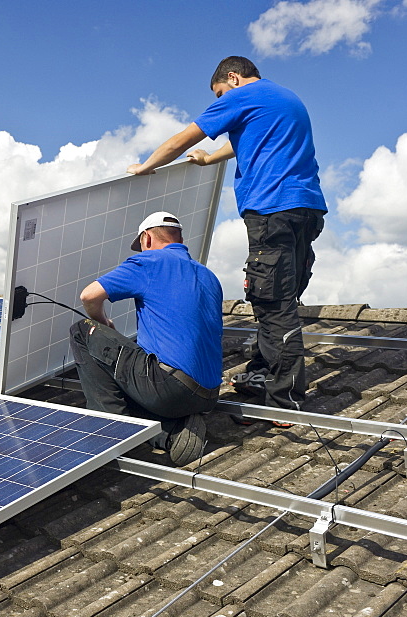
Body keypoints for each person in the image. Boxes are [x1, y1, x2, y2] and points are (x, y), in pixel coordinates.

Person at [127, 55, 326, 419]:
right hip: (307, 209)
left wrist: (146, 166)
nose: (220, 102)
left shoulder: (241, 96)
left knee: (273, 304)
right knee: (281, 298)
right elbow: (244, 142)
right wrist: (210, 160)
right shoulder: (284, 99)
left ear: (232, 79)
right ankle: (261, 376)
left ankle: (286, 403)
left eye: (220, 94)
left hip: (271, 210)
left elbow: (183, 138)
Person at [70, 211, 223, 466]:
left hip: (168, 388)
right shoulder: (208, 276)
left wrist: (103, 323)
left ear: (147, 238)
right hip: (206, 395)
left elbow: (89, 296)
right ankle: (172, 431)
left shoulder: (150, 261)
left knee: (82, 331)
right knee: (124, 379)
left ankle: (110, 430)